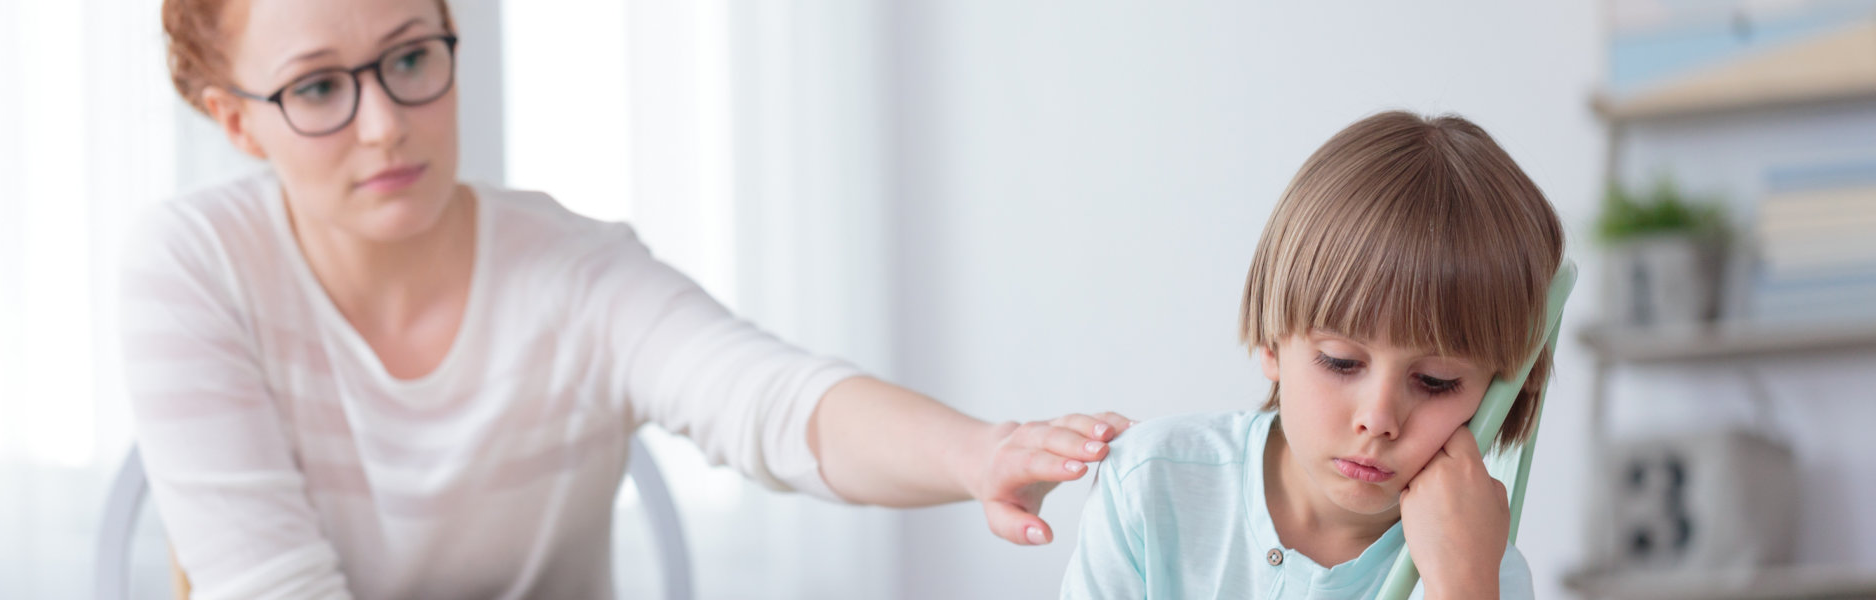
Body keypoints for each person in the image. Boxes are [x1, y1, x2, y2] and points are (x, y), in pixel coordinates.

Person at [125, 0, 1129, 597]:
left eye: (412, 58)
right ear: (237, 124)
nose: (385, 123)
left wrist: (975, 454)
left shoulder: (575, 271)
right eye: (317, 88)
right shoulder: (191, 265)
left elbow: (771, 399)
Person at [1061, 110, 1564, 599]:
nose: (1379, 419)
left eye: (1435, 380)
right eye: (1341, 362)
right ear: (1272, 343)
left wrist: (1462, 586)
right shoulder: (1150, 486)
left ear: (1501, 392)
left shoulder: (1478, 569)